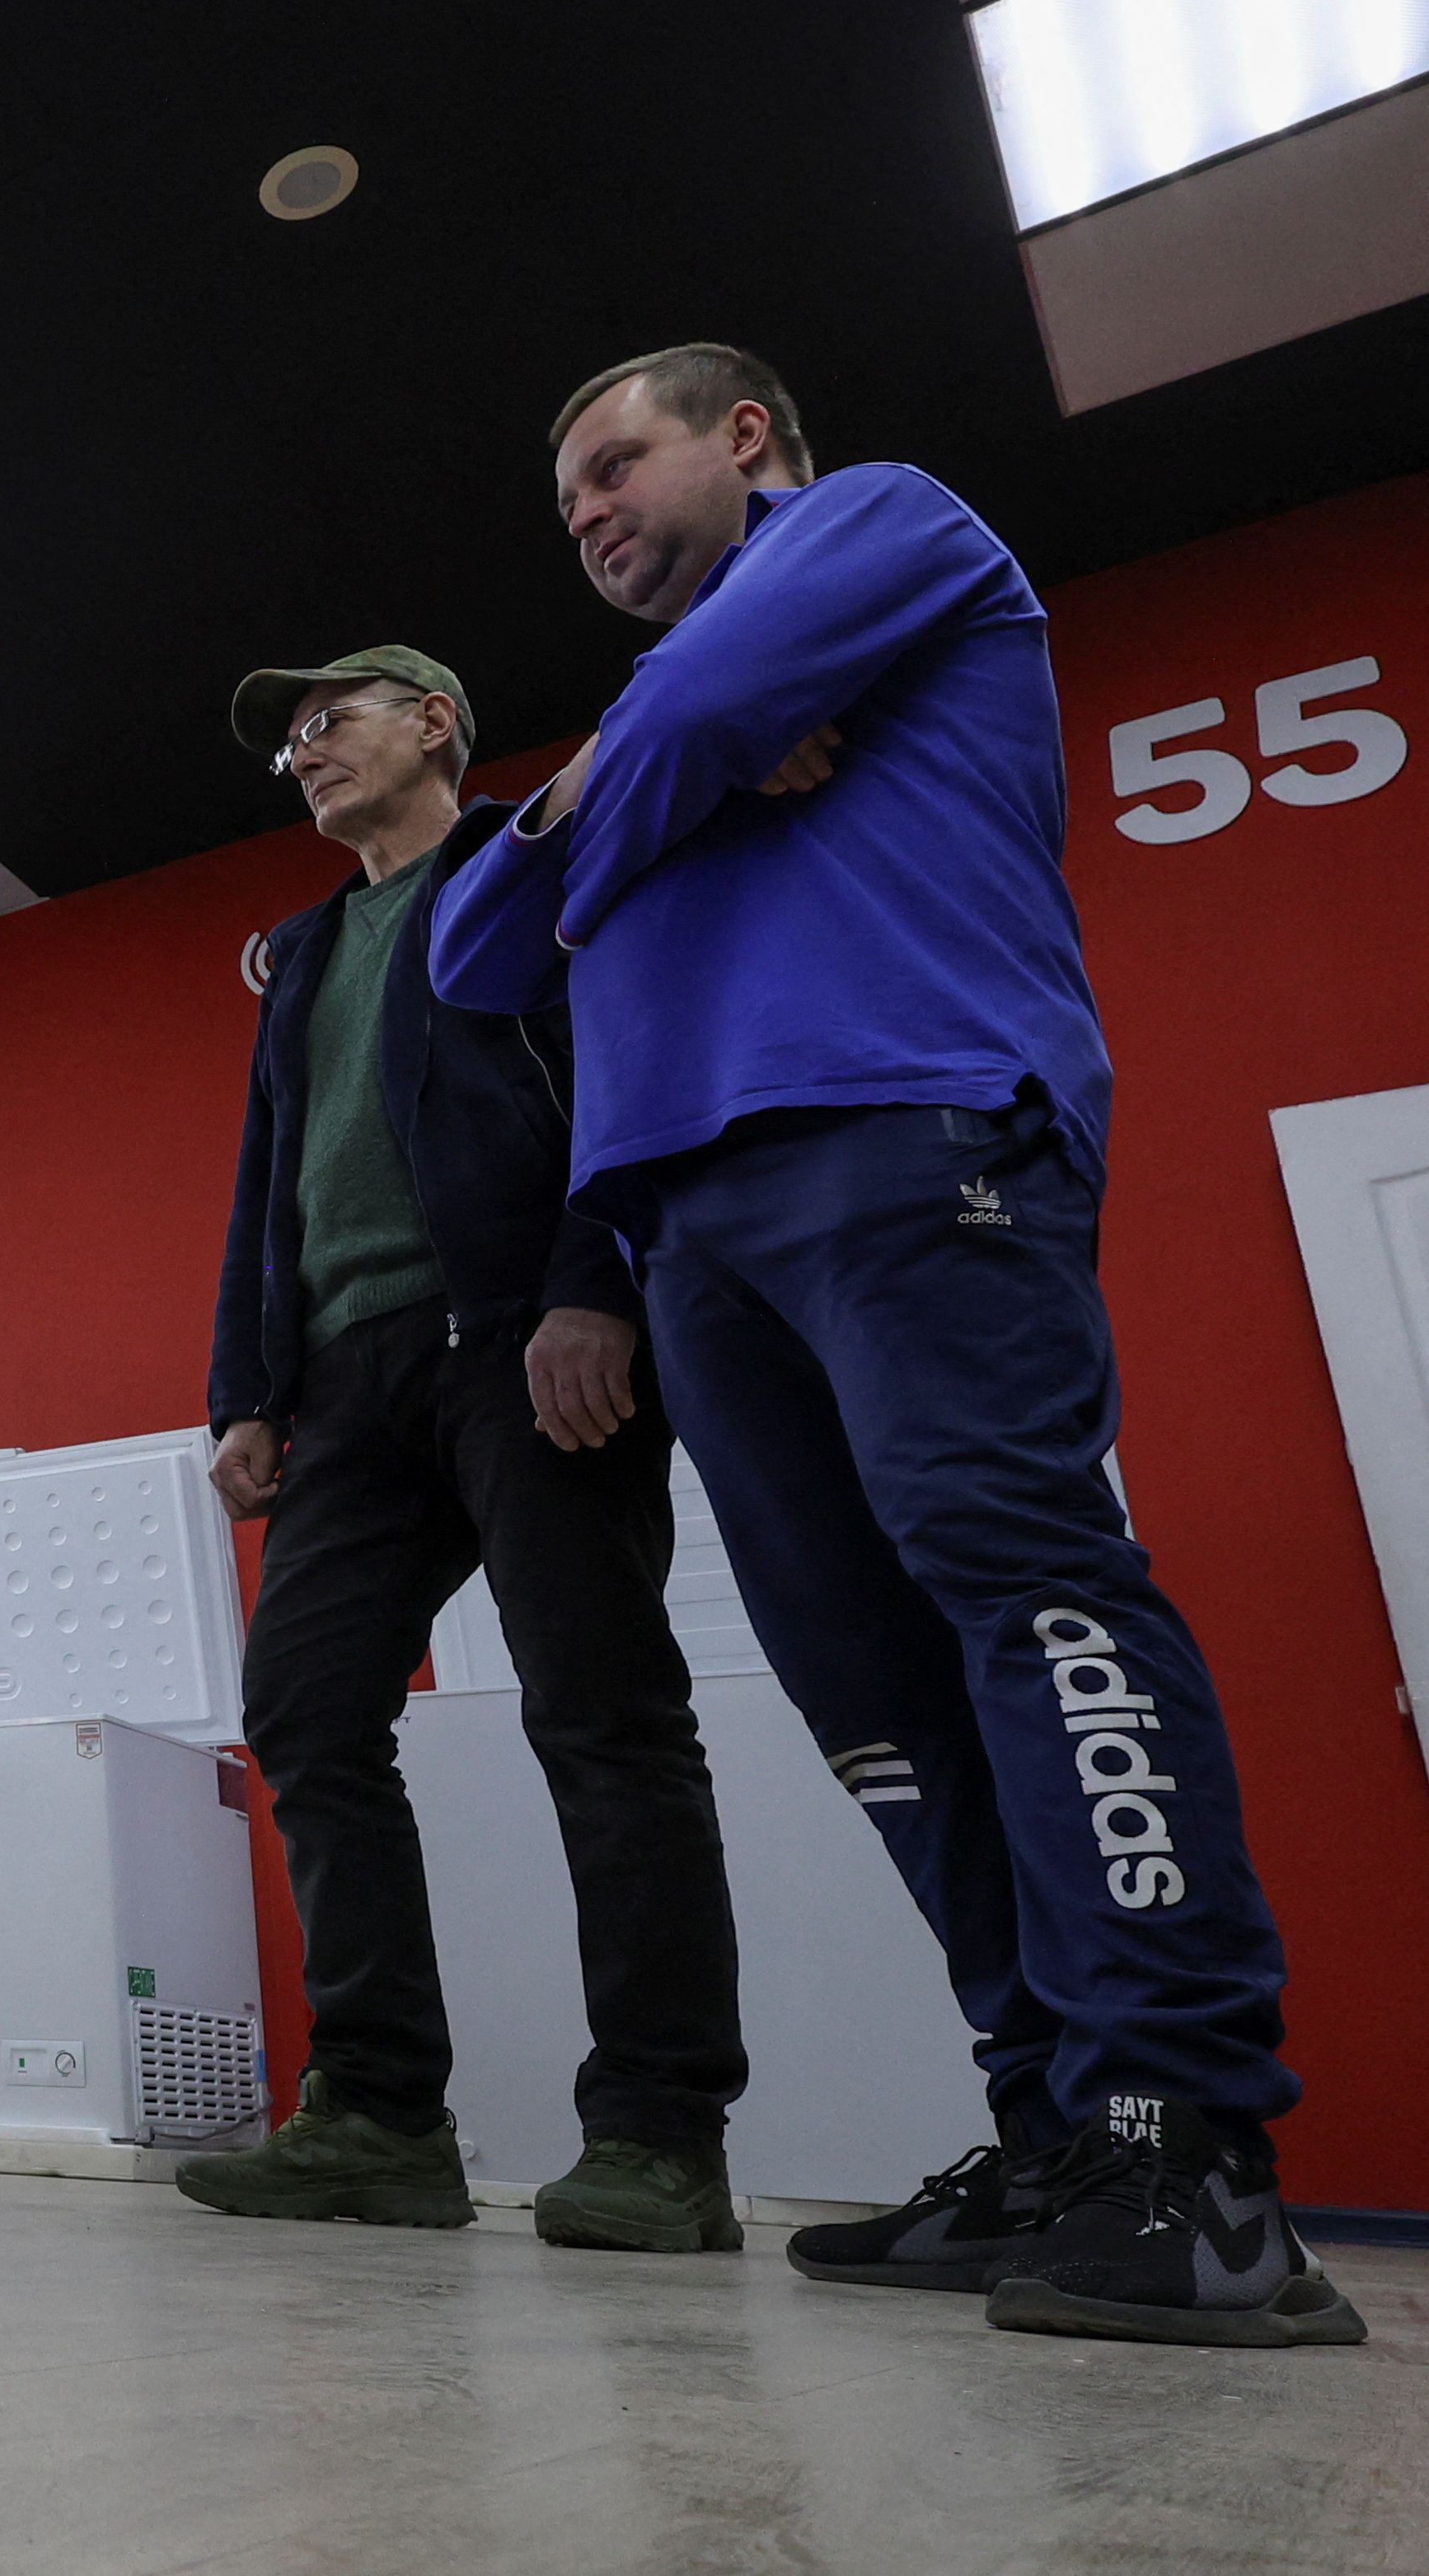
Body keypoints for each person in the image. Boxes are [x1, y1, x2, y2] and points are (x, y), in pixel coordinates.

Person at [433, 344, 1355, 2349]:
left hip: (913, 1122)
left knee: (1027, 1590)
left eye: (616, 462)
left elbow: (677, 732)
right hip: (695, 1228)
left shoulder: (879, 524)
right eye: (566, 498)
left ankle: (1183, 2148)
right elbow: (468, 950)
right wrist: (647, 770)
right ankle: (1051, 2135)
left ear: (744, 436)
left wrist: (627, 779)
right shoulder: (692, 690)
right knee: (871, 1689)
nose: (587, 512)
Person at [174, 643, 747, 2253]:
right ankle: (375, 2119)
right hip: (345, 1384)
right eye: (288, 741)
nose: (303, 752)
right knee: (304, 1712)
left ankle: (658, 2137)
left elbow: (629, 1071)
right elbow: (266, 1181)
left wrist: (594, 1286)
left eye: (329, 720)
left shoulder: (530, 866)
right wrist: (245, 1390)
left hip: (518, 1339)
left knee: (602, 1713)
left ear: (433, 722)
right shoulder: (301, 953)